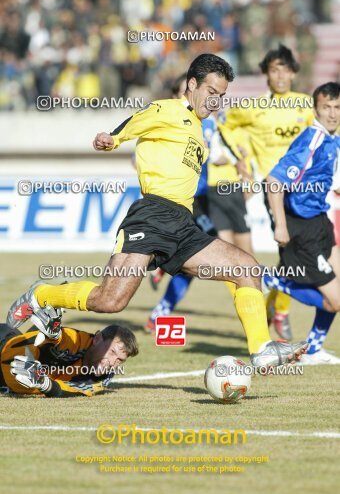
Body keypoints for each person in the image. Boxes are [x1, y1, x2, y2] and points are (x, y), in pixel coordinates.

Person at [7, 53, 307, 369]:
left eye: (221, 95)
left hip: (184, 224)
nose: (215, 101)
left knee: (246, 268)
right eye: (211, 92)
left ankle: (260, 351)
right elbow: (135, 122)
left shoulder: (200, 130)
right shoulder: (168, 109)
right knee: (110, 301)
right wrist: (112, 138)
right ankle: (43, 296)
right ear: (192, 84)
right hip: (151, 216)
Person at [218, 45, 314, 341]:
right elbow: (225, 125)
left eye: (285, 69)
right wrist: (241, 157)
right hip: (276, 190)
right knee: (293, 251)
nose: (280, 75)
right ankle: (280, 311)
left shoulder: (308, 105)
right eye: (274, 69)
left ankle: (273, 304)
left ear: (294, 72)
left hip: (310, 191)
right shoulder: (253, 107)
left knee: (303, 254)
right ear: (266, 74)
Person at [265, 82, 340, 365]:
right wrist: (280, 225)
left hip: (321, 220)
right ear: (316, 109)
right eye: (326, 107)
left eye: (337, 107)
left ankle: (314, 349)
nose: (332, 113)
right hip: (301, 224)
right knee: (336, 300)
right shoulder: (312, 139)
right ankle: (271, 280)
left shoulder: (334, 140)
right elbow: (274, 181)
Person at [145, 72, 217, 331]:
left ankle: (161, 269)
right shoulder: (167, 120)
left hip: (203, 199)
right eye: (177, 94)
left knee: (198, 256)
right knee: (197, 255)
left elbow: (217, 154)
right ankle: (160, 269)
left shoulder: (207, 123)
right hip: (180, 200)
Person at [1, 306, 138, 397]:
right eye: (112, 351)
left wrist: (45, 384)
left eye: (120, 360)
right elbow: (63, 338)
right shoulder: (78, 340)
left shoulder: (102, 377)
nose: (113, 362)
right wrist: (54, 335)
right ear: (97, 339)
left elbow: (72, 391)